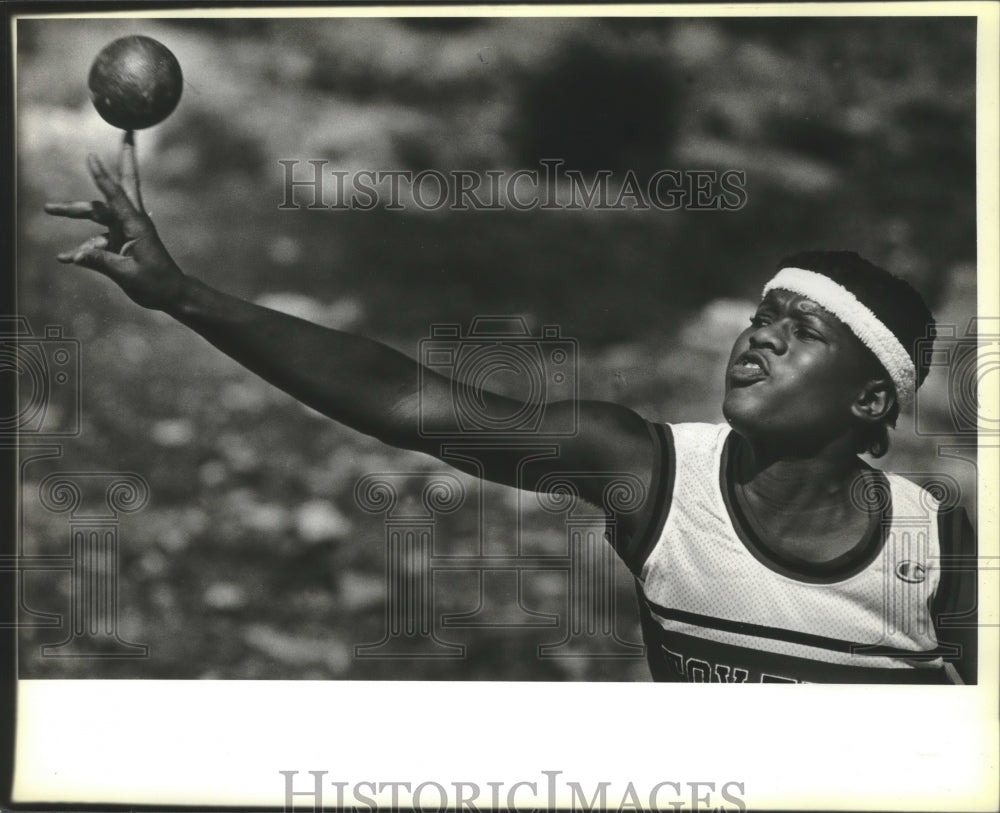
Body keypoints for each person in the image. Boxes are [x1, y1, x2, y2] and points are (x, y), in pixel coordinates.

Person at [44, 142, 977, 684]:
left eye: (801, 329)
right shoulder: (649, 472)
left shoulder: (939, 552)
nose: (760, 338)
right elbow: (406, 401)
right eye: (761, 314)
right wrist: (183, 296)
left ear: (869, 398)